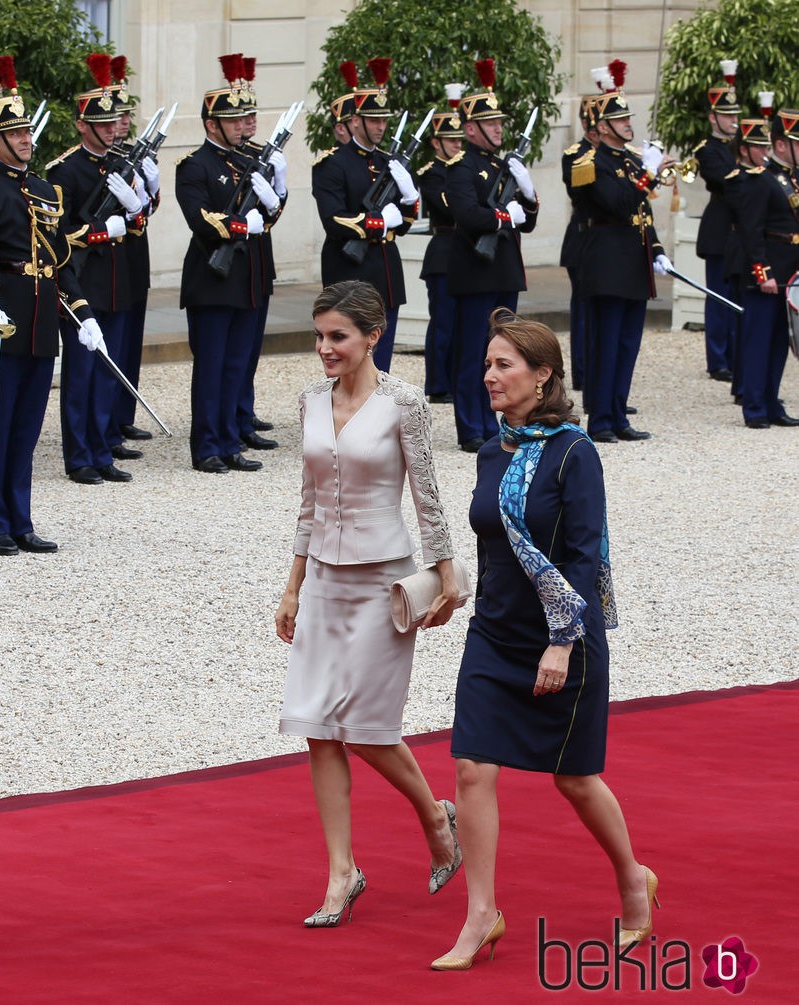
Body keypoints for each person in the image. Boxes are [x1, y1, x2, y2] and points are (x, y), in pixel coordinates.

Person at [432, 309, 658, 971]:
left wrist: (561, 641)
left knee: (575, 778)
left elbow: (586, 556)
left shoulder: (574, 452)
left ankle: (632, 879)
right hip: (493, 634)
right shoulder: (487, 449)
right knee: (472, 768)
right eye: (487, 364)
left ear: (543, 374)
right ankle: (481, 913)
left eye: (504, 364)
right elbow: (493, 542)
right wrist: (448, 588)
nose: (489, 376)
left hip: (564, 636)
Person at [275, 279, 462, 927]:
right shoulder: (310, 401)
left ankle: (436, 815)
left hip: (384, 579)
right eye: (319, 336)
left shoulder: (404, 403)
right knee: (317, 724)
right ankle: (340, 872)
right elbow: (307, 499)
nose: (324, 348)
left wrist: (446, 570)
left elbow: (427, 496)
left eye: (338, 337)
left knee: (366, 723)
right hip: (322, 580)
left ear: (372, 336)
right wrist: (293, 584)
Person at [0, 55, 101, 554]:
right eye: (13, 135)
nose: (24, 140)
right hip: (1, 319)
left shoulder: (44, 189)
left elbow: (59, 261)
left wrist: (83, 313)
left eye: (27, 132)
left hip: (40, 320)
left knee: (26, 429)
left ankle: (22, 519)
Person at [174, 54, 278, 474]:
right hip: (212, 279)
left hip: (248, 278)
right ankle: (207, 447)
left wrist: (274, 197)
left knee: (238, 364)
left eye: (243, 120)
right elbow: (199, 219)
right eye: (232, 121)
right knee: (212, 367)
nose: (242, 126)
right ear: (211, 124)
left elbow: (269, 214)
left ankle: (231, 440)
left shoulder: (249, 161)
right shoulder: (194, 165)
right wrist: (240, 225)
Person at [47, 54, 141, 486]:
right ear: (82, 125)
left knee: (109, 371)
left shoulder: (121, 163)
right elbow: (61, 234)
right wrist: (104, 229)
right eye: (101, 125)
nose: (110, 129)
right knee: (82, 374)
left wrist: (136, 209)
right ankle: (79, 456)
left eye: (113, 123)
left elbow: (138, 221)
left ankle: (102, 449)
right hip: (84, 284)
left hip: (118, 280)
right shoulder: (64, 171)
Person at [574, 59, 674, 443]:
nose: (628, 123)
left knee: (628, 344)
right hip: (606, 262)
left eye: (628, 117)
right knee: (606, 343)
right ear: (602, 127)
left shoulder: (631, 160)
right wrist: (647, 174)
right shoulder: (591, 163)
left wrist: (658, 249)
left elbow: (642, 210)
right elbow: (615, 204)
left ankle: (618, 414)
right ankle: (599, 419)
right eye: (619, 119)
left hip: (633, 263)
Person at [444, 58, 539, 454]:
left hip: (503, 270)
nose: (499, 127)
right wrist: (505, 215)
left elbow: (528, 222)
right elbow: (467, 215)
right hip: (475, 270)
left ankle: (499, 419)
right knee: (474, 352)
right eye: (491, 122)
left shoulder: (505, 165)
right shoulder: (461, 168)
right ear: (470, 129)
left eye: (500, 122)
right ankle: (471, 426)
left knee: (505, 353)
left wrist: (528, 196)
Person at [311, 58, 418, 373]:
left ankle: (380, 416)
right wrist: (378, 222)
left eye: (383, 120)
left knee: (380, 362)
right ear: (355, 121)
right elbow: (333, 218)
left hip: (386, 271)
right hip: (350, 270)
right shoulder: (332, 164)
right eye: (373, 120)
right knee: (349, 359)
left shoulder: (389, 163)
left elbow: (406, 222)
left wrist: (410, 198)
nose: (380, 126)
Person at [724, 108, 799, 429]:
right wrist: (762, 271)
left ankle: (771, 403)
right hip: (768, 272)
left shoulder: (792, 179)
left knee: (780, 341)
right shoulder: (762, 180)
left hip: (790, 272)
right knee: (758, 340)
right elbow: (751, 230)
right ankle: (754, 406)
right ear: (781, 145)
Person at [234, 54, 286, 452]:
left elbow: (272, 215)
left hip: (257, 263)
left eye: (252, 116)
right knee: (231, 354)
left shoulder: (258, 157)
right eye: (243, 117)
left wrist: (279, 189)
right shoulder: (230, 159)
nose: (250, 123)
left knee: (249, 351)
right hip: (230, 262)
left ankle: (243, 415)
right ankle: (231, 420)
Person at [109, 56, 158, 446]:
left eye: (126, 115)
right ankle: (106, 421)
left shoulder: (133, 156)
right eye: (117, 115)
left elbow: (146, 211)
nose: (123, 122)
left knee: (131, 339)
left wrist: (150, 189)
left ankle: (122, 415)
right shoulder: (108, 159)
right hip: (108, 256)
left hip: (134, 255)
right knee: (112, 340)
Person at [694, 61, 742, 383]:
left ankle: (739, 354)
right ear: (713, 117)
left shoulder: (745, 147)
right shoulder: (707, 150)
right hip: (721, 228)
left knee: (739, 296)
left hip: (744, 230)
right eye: (727, 116)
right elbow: (725, 180)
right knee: (719, 296)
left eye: (736, 115)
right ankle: (718, 359)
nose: (733, 121)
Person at [416, 85, 465, 404]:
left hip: (465, 252)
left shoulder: (464, 169)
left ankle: (458, 377)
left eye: (460, 140)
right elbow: (449, 208)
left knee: (464, 323)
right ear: (436, 143)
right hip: (444, 251)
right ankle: (438, 383)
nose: (457, 145)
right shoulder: (431, 173)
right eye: (451, 141)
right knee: (444, 323)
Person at [560, 88, 599, 396]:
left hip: (609, 245)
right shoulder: (576, 154)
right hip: (584, 240)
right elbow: (581, 193)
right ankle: (584, 375)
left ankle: (604, 379)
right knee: (585, 312)